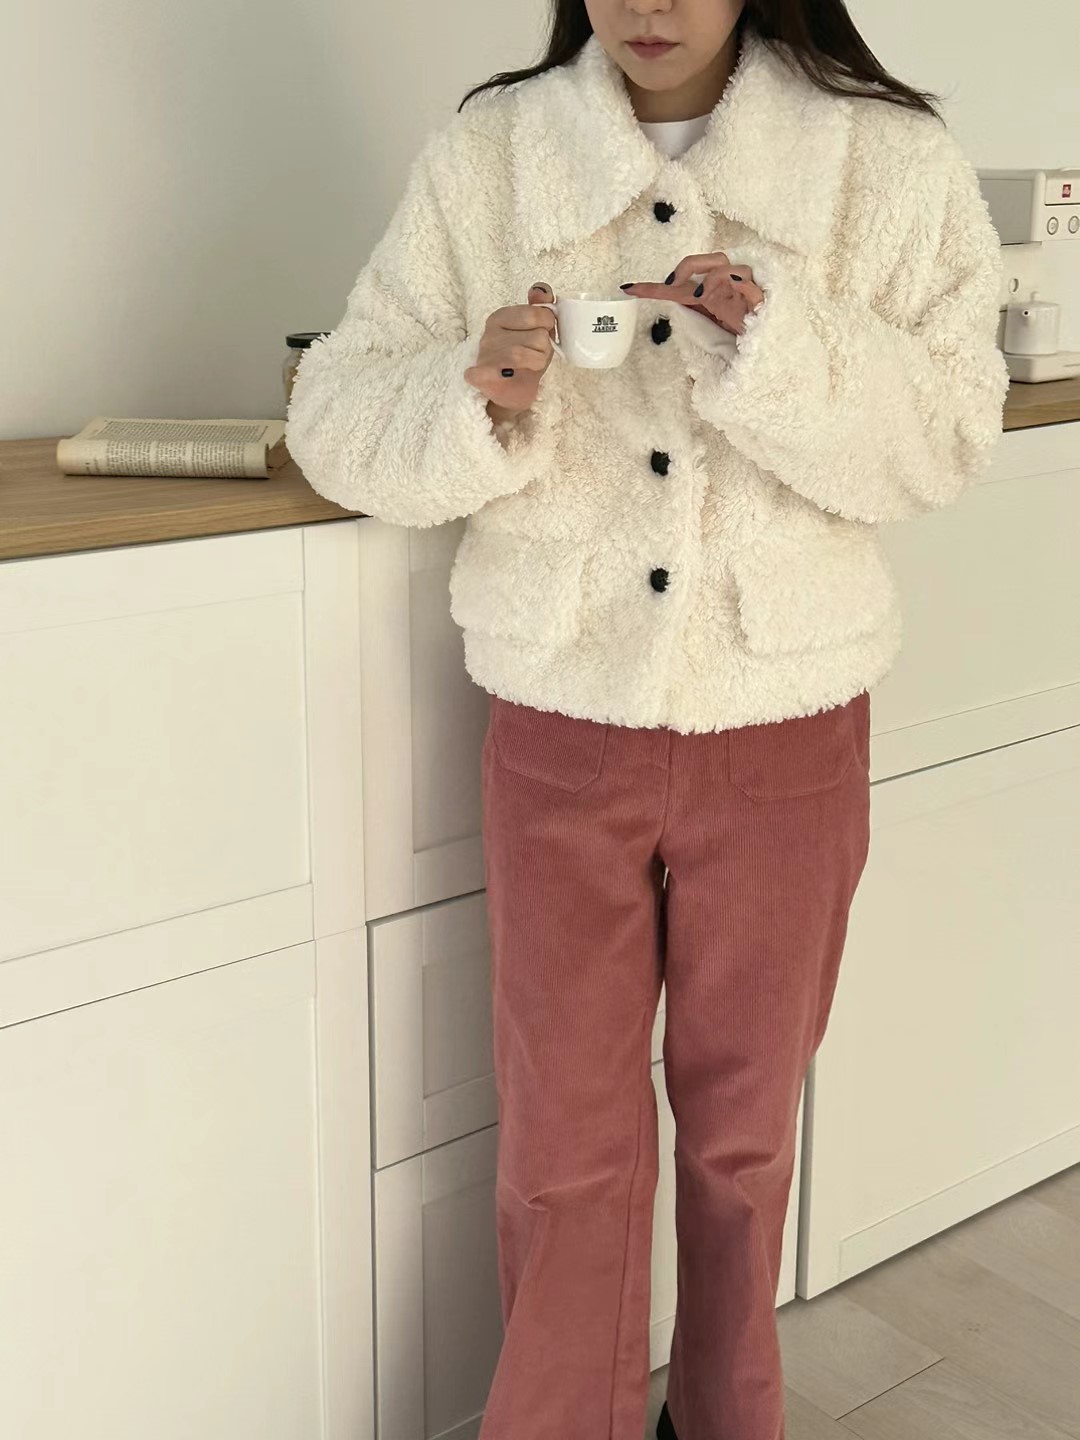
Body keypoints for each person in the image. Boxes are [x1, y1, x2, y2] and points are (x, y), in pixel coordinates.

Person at [284, 1, 1009, 1436]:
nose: (649, 4)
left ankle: (730, 1416)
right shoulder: (495, 153)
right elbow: (336, 412)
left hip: (785, 720)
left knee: (744, 1139)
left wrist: (777, 341)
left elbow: (946, 434)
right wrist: (474, 390)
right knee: (564, 1145)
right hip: (563, 724)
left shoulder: (884, 158)